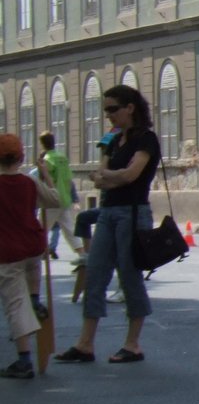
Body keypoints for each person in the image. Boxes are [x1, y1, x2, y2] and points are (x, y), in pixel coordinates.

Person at [56, 86, 160, 364]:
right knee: (95, 274)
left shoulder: (146, 139)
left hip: (133, 213)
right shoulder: (114, 140)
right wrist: (110, 176)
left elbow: (130, 175)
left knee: (129, 276)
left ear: (130, 108)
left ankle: (133, 344)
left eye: (113, 109)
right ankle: (85, 344)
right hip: (108, 212)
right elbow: (101, 177)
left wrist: (109, 177)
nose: (108, 115)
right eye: (106, 110)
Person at [0, 134, 59, 378]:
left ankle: (24, 360)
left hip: (8, 250)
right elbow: (55, 200)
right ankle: (34, 299)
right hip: (34, 244)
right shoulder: (29, 182)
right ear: (21, 157)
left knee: (15, 305)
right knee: (32, 268)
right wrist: (45, 174)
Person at [35, 132, 81, 263]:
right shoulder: (63, 158)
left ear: (42, 143)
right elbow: (69, 178)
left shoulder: (47, 159)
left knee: (40, 228)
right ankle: (82, 253)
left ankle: (37, 254)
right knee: (69, 229)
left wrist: (41, 168)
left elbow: (43, 179)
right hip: (64, 198)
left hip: (52, 199)